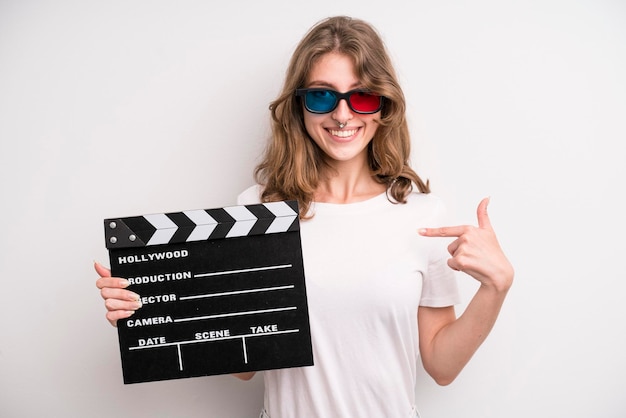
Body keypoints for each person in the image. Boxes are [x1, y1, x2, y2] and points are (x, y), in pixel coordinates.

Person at [95, 15, 514, 418]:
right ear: (299, 107)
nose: (343, 115)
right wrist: (151, 314)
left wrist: (495, 289)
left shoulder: (422, 216)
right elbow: (244, 366)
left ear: (383, 106)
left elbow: (442, 365)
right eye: (322, 95)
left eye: (362, 95)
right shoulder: (259, 212)